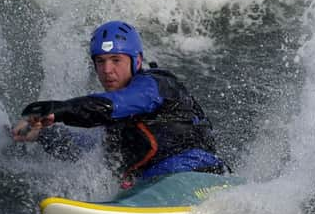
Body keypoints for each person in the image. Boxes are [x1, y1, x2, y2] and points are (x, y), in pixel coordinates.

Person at [12, 20, 227, 188]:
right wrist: (41, 135)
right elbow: (87, 152)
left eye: (116, 60)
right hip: (153, 189)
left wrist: (60, 110)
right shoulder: (115, 123)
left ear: (137, 61)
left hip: (201, 177)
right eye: (100, 61)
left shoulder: (154, 86)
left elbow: (111, 105)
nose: (107, 70)